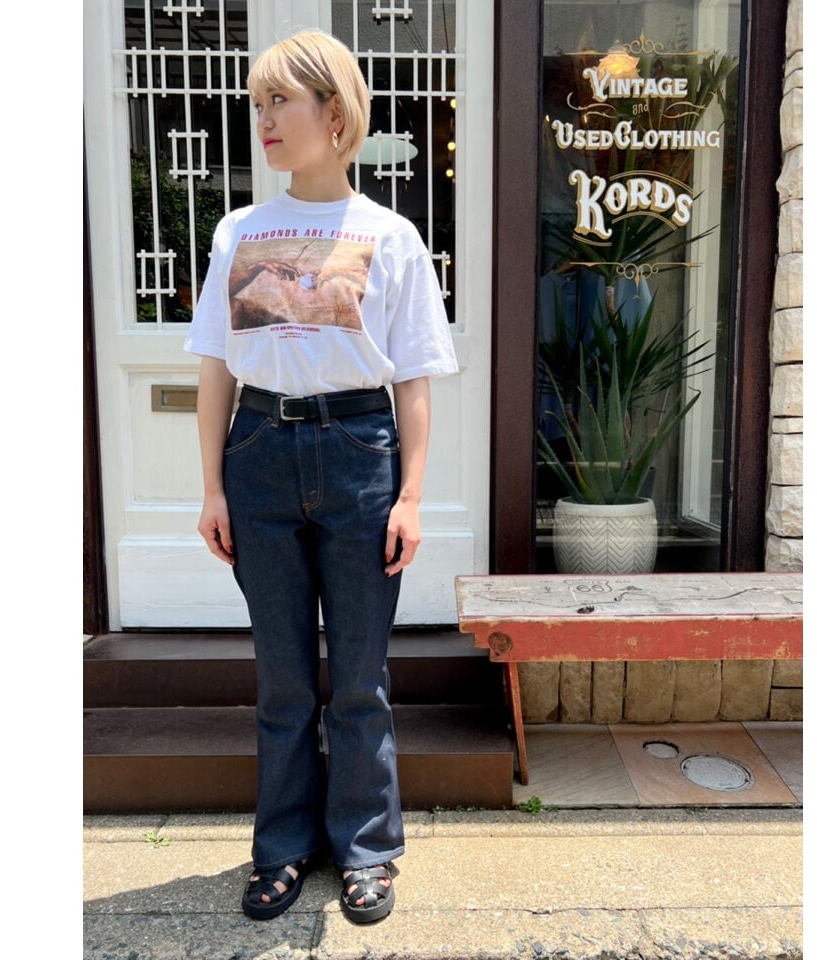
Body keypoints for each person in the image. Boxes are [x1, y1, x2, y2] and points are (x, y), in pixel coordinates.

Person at [184, 29, 459, 925]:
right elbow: (216, 370)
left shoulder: (391, 235)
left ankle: (367, 849)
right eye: (257, 102)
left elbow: (413, 379)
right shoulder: (238, 231)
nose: (263, 119)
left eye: (280, 101)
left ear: (333, 113)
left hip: (359, 454)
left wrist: (410, 497)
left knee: (361, 676)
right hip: (259, 453)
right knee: (284, 676)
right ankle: (282, 847)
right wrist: (213, 487)